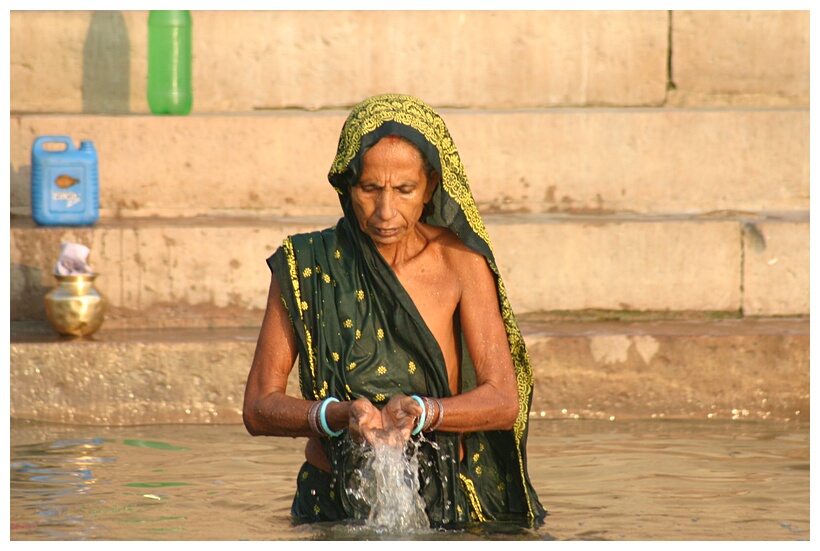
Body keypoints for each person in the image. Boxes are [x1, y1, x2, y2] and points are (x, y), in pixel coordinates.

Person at [243, 93, 546, 528]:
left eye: (405, 190)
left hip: (443, 504)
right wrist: (338, 415)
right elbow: (257, 408)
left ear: (430, 190)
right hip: (331, 507)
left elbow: (503, 401)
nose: (386, 212)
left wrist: (425, 412)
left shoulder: (461, 263)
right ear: (348, 187)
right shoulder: (304, 263)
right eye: (370, 189)